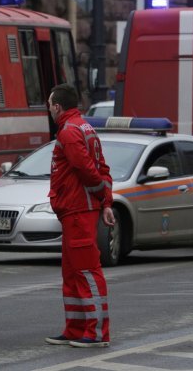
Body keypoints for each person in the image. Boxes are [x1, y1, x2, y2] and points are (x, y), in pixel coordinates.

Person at [44, 83, 115, 348]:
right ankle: (75, 329)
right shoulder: (83, 128)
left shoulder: (68, 132)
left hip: (77, 210)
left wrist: (99, 197)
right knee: (73, 273)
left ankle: (96, 333)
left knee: (86, 272)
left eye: (50, 104)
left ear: (58, 106)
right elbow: (103, 168)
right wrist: (105, 201)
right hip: (74, 211)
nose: (49, 109)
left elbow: (88, 169)